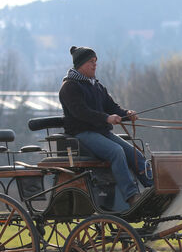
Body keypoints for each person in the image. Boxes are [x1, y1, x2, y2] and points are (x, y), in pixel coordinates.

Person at [59, 45, 151, 208]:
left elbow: (112, 107)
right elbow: (81, 112)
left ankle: (152, 188)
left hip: (101, 132)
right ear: (80, 65)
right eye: (91, 62)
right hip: (82, 133)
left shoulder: (97, 86)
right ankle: (131, 195)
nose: (95, 65)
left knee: (134, 153)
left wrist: (126, 114)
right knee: (116, 152)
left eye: (95, 61)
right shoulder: (70, 87)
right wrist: (107, 118)